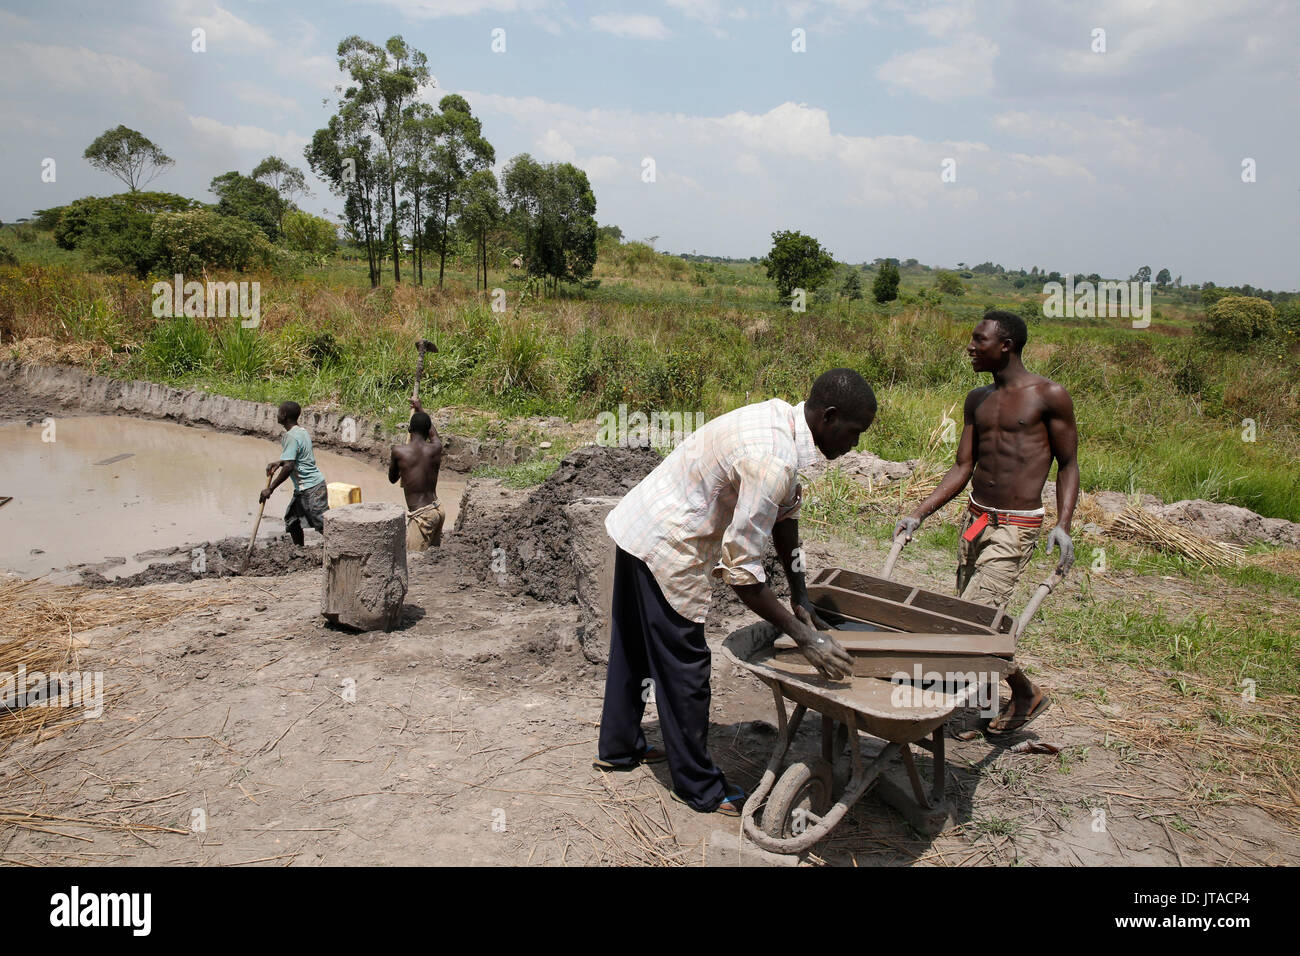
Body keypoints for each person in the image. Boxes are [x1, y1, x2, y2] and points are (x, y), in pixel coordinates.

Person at [596, 369, 875, 816]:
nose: (854, 445)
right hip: (669, 542)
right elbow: (742, 573)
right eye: (854, 432)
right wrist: (805, 637)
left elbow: (786, 517)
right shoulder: (773, 460)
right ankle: (699, 787)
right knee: (685, 668)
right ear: (829, 416)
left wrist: (800, 594)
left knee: (631, 644)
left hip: (639, 521)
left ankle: (618, 746)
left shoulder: (781, 418)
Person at [894, 310, 1078, 735]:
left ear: (1006, 345)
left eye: (980, 340)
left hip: (1016, 526)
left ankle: (1024, 692)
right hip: (975, 521)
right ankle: (985, 709)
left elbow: (1068, 464)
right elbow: (962, 467)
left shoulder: (1049, 396)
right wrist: (918, 514)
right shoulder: (977, 400)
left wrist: (1063, 525)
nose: (971, 347)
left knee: (974, 620)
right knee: (969, 617)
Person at [262, 401, 328, 545]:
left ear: (284, 415)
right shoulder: (301, 431)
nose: (277, 414)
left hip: (311, 488)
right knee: (292, 520)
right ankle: (299, 550)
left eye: (279, 412)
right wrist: (280, 462)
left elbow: (289, 466)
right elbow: (296, 458)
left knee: (323, 525)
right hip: (305, 488)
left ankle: (342, 549)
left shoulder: (290, 437)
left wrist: (270, 489)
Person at [389, 399, 445, 551]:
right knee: (432, 558)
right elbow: (434, 434)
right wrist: (420, 408)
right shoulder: (436, 448)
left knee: (415, 561)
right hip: (437, 510)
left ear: (409, 429)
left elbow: (392, 479)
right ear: (428, 431)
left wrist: (403, 468)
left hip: (422, 516)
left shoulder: (399, 451)